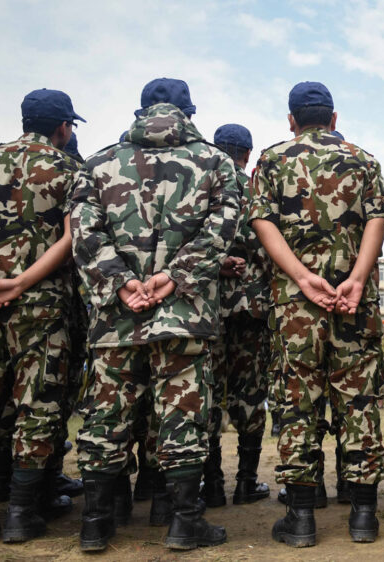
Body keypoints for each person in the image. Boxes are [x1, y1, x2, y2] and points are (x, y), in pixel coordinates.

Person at [73, 78, 238, 551]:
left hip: (116, 313)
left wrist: (121, 281)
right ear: (189, 111)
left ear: (140, 109)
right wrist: (176, 277)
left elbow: (83, 231)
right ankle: (185, 523)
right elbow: (223, 226)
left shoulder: (99, 163)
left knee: (106, 415)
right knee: (183, 416)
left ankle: (94, 524)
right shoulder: (215, 162)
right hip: (184, 313)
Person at [249, 81, 384, 547]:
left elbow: (262, 222)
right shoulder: (364, 159)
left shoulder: (271, 160)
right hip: (355, 301)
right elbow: (377, 219)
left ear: (292, 120)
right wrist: (356, 275)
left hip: (295, 307)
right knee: (359, 403)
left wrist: (302, 278)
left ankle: (302, 519)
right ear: (334, 118)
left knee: (297, 404)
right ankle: (364, 516)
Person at [0, 88, 87, 545]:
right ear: (63, 127)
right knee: (37, 405)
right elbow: (72, 240)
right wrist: (21, 282)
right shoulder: (71, 169)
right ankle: (21, 513)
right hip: (43, 305)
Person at [200, 123, 272, 508]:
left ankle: (210, 484)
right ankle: (246, 483)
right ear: (246, 153)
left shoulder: (202, 186)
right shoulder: (254, 190)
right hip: (251, 306)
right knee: (250, 392)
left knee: (207, 392)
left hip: (207, 305)